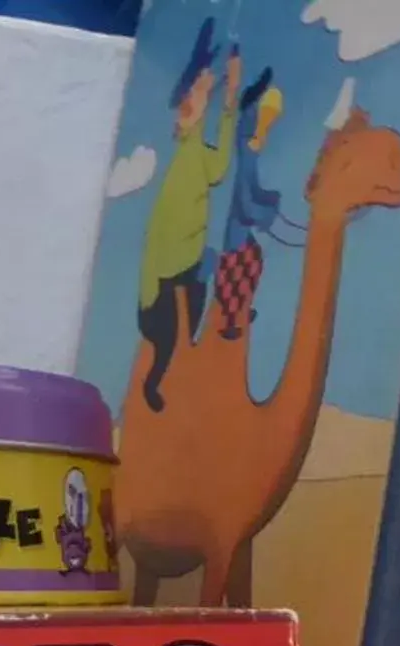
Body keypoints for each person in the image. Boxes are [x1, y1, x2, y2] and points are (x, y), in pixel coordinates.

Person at [136, 21, 241, 410]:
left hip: (184, 260)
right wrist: (211, 87)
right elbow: (188, 108)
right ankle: (158, 380)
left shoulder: (198, 155)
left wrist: (229, 93)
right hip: (165, 270)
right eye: (196, 91)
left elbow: (220, 166)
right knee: (170, 333)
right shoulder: (186, 145)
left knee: (200, 289)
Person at [214, 69, 307, 340]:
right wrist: (263, 213)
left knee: (253, 261)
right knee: (241, 265)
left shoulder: (250, 155)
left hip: (244, 228)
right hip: (238, 231)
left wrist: (268, 198)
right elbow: (244, 198)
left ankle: (239, 308)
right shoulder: (246, 151)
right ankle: (230, 318)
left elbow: (252, 188)